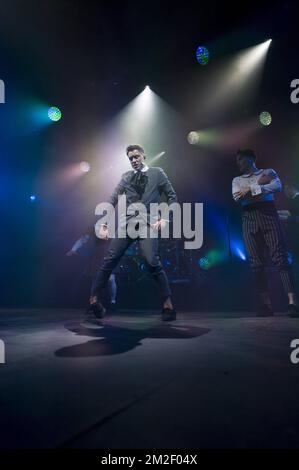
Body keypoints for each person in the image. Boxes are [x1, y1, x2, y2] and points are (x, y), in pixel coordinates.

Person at [89, 144, 177, 321]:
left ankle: (168, 306)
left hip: (148, 224)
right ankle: (93, 300)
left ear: (144, 156)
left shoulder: (157, 173)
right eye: (130, 158)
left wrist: (165, 218)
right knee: (109, 259)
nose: (134, 160)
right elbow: (112, 198)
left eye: (136, 156)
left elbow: (172, 197)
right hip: (127, 224)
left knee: (152, 262)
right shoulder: (126, 177)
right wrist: (103, 222)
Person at [232, 148, 298, 316]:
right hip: (249, 217)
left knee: (280, 258)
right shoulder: (237, 180)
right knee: (256, 263)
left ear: (251, 158)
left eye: (241, 159)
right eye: (237, 160)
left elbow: (277, 186)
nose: (238, 162)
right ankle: (266, 305)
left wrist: (249, 190)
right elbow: (238, 197)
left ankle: (292, 302)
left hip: (268, 213)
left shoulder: (268, 172)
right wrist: (259, 184)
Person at [67, 225, 118, 312]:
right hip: (97, 257)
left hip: (108, 255)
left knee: (111, 280)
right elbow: (83, 239)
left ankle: (113, 302)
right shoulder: (92, 228)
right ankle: (93, 303)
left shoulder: (110, 227)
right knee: (95, 282)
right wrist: (73, 249)